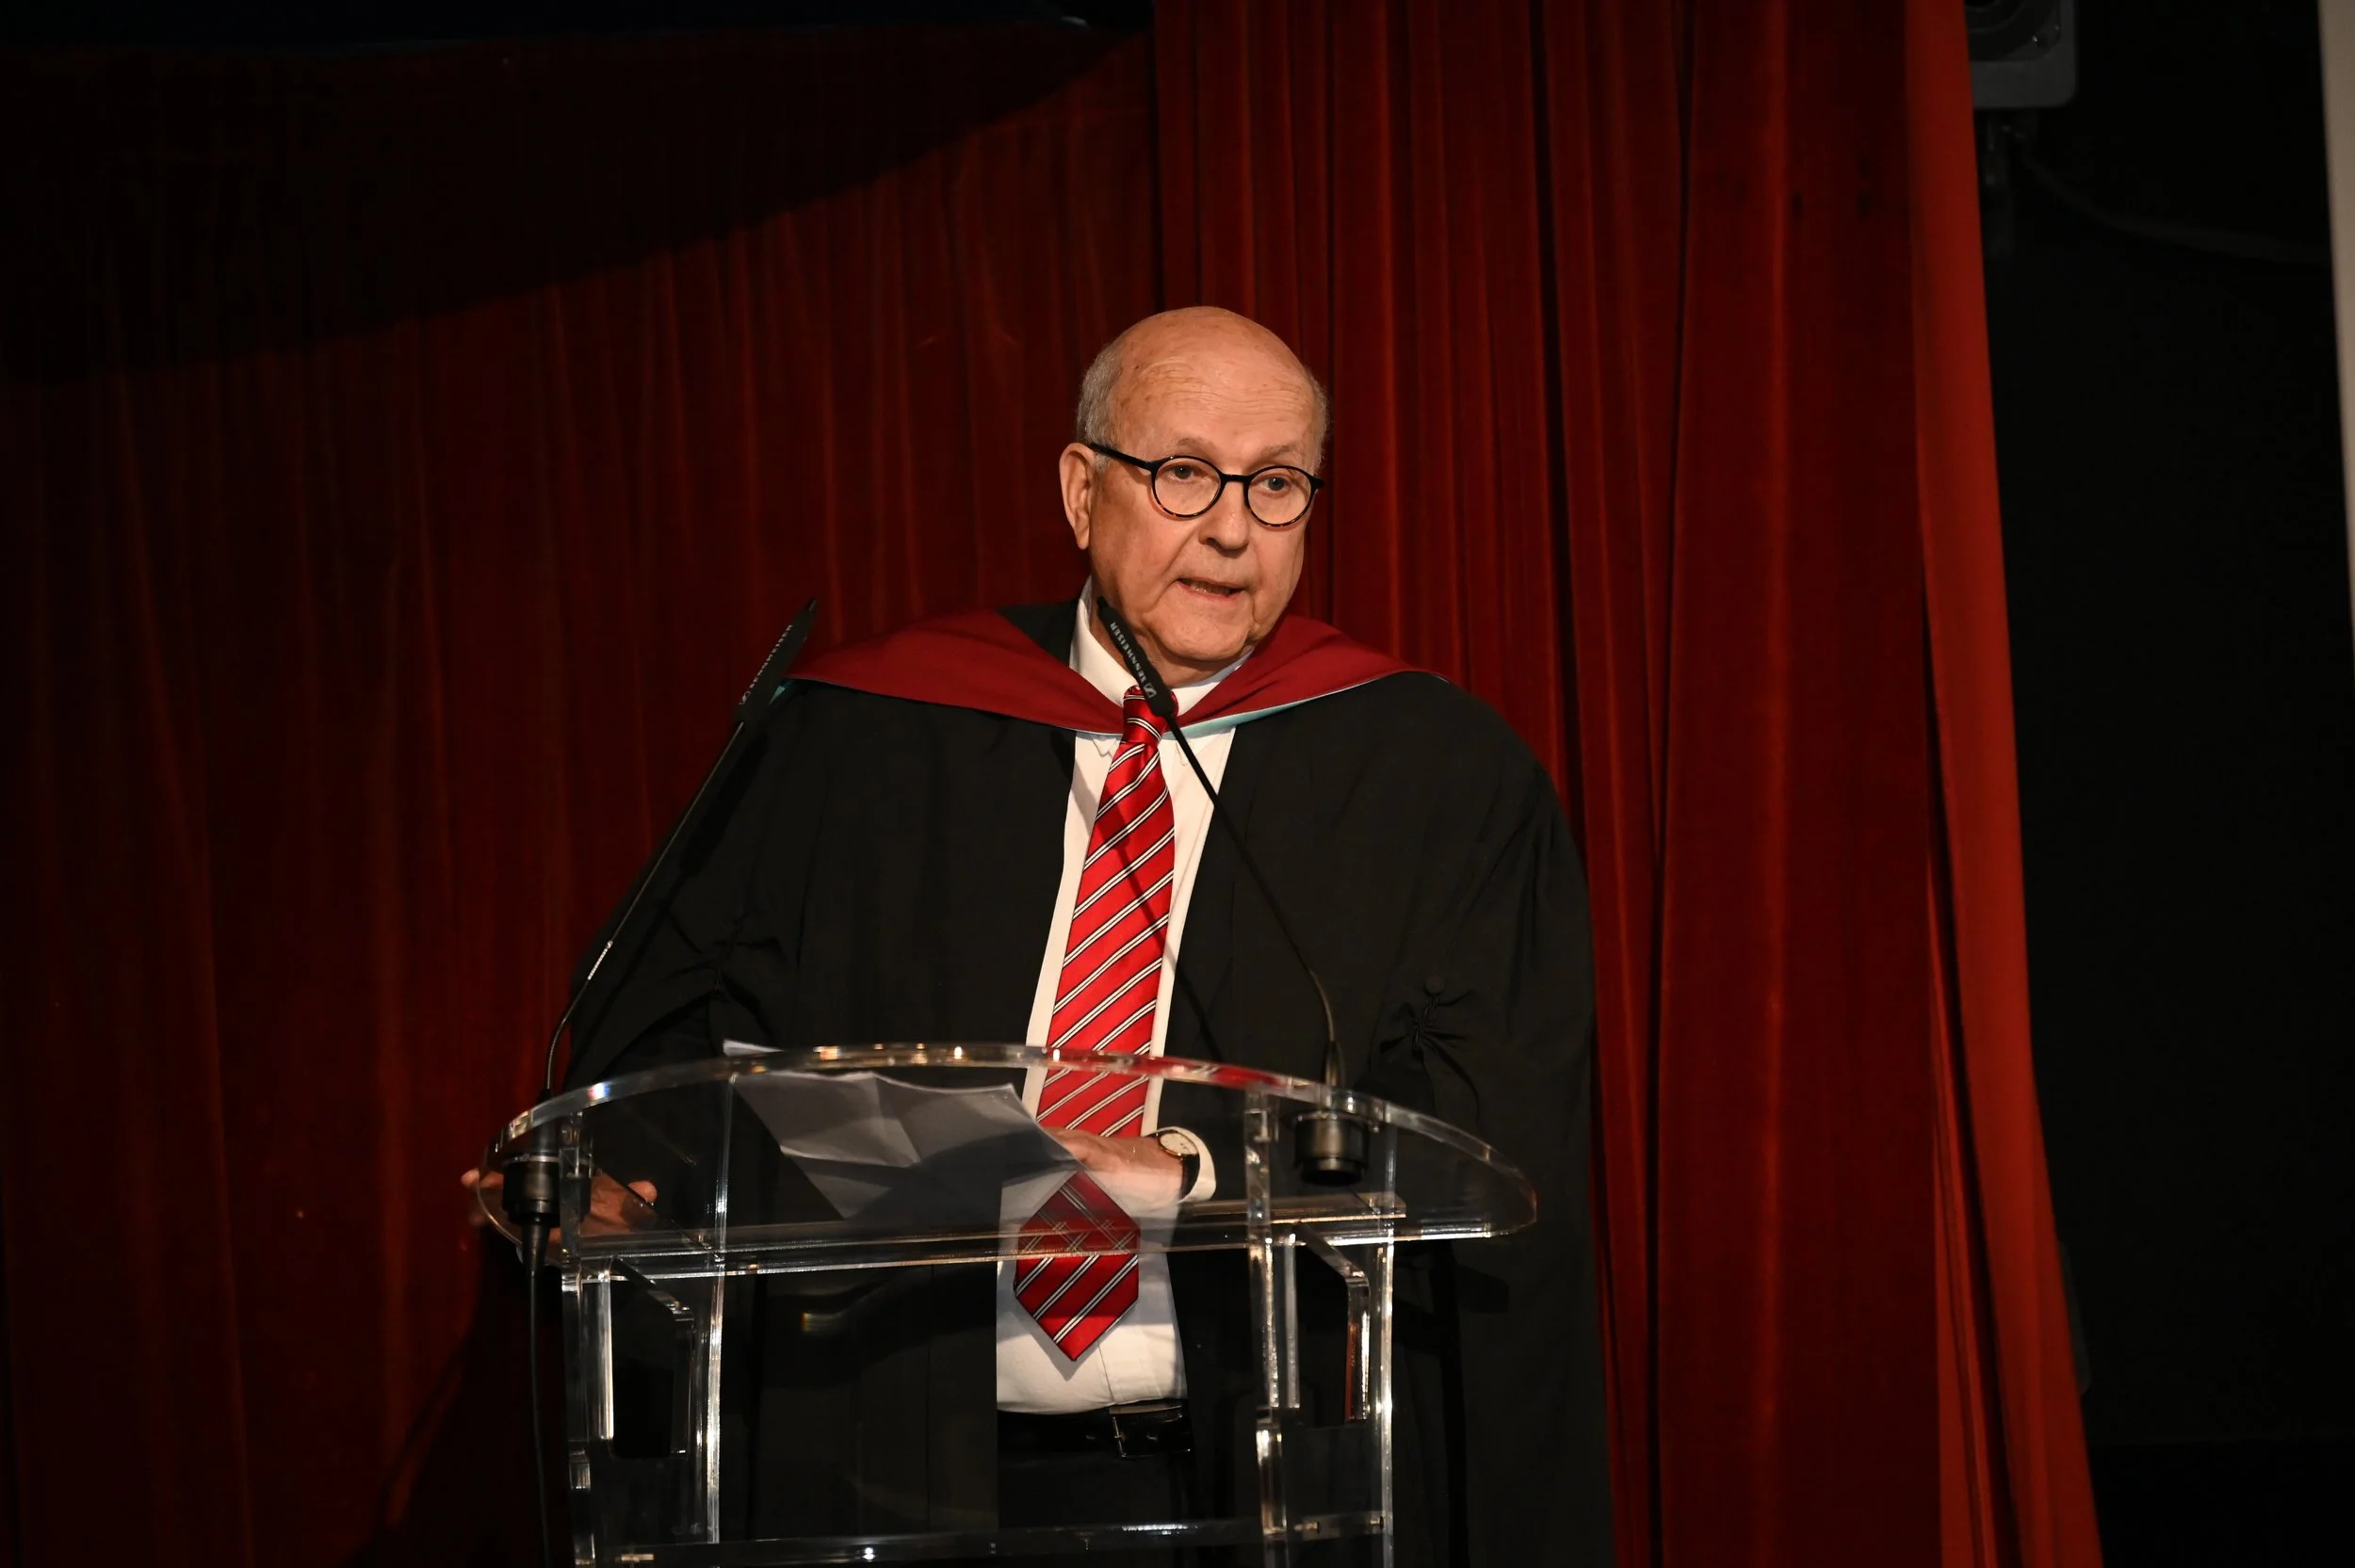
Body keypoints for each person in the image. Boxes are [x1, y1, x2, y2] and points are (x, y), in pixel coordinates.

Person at [553, 306, 1611, 1565]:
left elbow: (1493, 1110)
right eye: (1183, 474)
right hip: (889, 1477)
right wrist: (630, 1171)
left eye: (1276, 485)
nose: (1230, 527)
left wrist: (1193, 1162)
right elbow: (664, 1048)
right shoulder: (866, 744)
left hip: (1270, 1476)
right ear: (1080, 488)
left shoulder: (1437, 777)